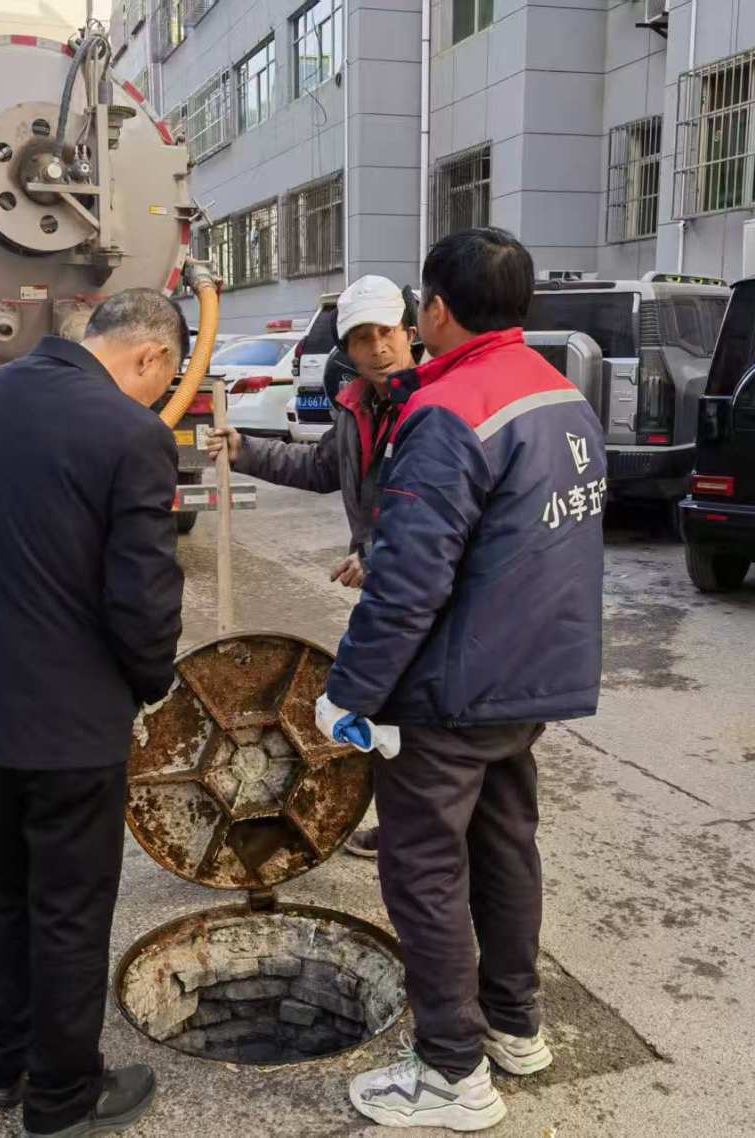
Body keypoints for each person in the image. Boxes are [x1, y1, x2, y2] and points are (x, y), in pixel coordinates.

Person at [322, 229, 607, 1132]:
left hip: (452, 691)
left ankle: (451, 1071)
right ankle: (515, 1026)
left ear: (436, 310)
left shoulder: (450, 409)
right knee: (506, 848)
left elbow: (408, 580)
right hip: (533, 678)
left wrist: (350, 693)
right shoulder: (561, 394)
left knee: (424, 872)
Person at [0, 289, 188, 1138]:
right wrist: (149, 683)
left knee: (4, 890)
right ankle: (63, 1099)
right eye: (167, 375)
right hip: (70, 726)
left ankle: (0, 1067)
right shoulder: (133, 434)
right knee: (68, 908)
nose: (162, 391)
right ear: (148, 355)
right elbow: (141, 598)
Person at [206, 274, 419, 859]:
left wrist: (376, 555)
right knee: (385, 708)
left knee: (418, 714)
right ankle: (403, 826)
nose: (378, 348)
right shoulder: (356, 406)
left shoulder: (433, 406)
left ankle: (421, 837)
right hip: (385, 587)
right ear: (347, 348)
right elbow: (323, 468)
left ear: (410, 333)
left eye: (387, 332)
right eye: (363, 338)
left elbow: (436, 510)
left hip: (424, 587)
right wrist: (244, 450)